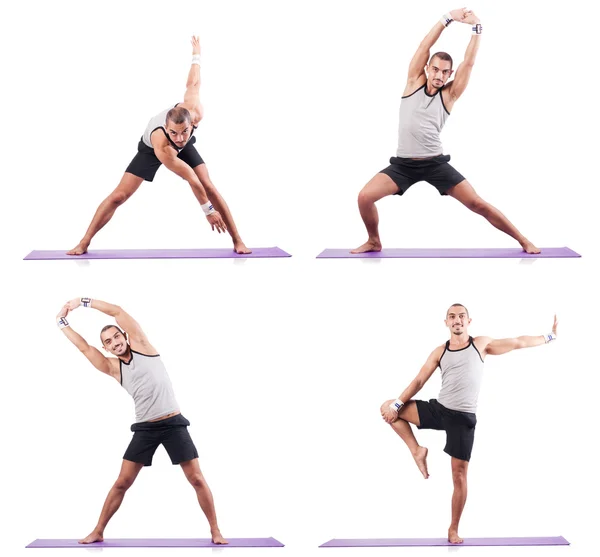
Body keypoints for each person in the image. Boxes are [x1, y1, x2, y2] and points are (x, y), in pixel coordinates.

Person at [352, 9, 539, 254]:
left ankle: (522, 239)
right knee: (364, 197)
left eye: (445, 72)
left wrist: (476, 28)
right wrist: (446, 18)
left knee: (476, 203)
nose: (439, 75)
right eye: (436, 69)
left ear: (450, 74)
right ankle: (374, 240)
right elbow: (424, 45)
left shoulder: (449, 95)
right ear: (428, 68)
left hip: (435, 164)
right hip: (403, 166)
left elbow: (469, 63)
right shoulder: (413, 83)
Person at [380, 304, 558, 544]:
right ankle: (416, 450)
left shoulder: (481, 345)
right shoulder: (440, 351)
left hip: (462, 418)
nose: (457, 320)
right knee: (388, 406)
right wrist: (397, 407)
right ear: (446, 322)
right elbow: (420, 380)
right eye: (452, 317)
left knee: (459, 476)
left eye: (461, 316)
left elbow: (518, 342)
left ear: (469, 321)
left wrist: (549, 336)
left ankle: (453, 529)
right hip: (440, 410)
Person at [56, 297, 227, 545]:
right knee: (122, 482)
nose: (114, 343)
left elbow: (117, 311)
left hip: (173, 424)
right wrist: (62, 322)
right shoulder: (113, 368)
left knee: (197, 479)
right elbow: (84, 348)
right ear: (105, 348)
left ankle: (216, 531)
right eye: (108, 342)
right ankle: (98, 530)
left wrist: (83, 302)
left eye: (116, 337)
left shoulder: (143, 345)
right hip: (145, 428)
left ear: (125, 336)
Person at [67, 36, 250, 255]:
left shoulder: (194, 111)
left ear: (192, 123)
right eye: (174, 133)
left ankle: (238, 240)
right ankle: (84, 242)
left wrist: (196, 55)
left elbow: (193, 83)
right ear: (166, 126)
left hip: (174, 141)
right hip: (152, 149)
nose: (180, 138)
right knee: (119, 196)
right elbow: (190, 179)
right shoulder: (162, 146)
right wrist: (208, 210)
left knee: (209, 186)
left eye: (185, 132)